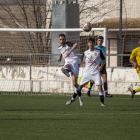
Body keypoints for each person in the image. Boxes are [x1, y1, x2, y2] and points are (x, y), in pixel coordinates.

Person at [66, 37, 106, 106]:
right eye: (90, 42)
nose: (91, 43)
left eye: (92, 42)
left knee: (100, 86)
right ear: (88, 43)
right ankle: (72, 98)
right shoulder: (85, 52)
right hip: (87, 73)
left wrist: (101, 66)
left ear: (94, 43)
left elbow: (104, 60)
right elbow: (81, 61)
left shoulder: (98, 51)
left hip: (95, 72)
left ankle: (102, 102)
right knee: (80, 86)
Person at [58, 33, 84, 106]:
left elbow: (76, 44)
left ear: (65, 39)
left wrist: (70, 51)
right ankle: (66, 70)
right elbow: (61, 51)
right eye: (60, 39)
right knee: (66, 66)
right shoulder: (59, 47)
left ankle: (80, 97)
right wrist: (60, 57)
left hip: (75, 62)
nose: (62, 41)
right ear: (59, 40)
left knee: (75, 84)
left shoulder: (68, 44)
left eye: (63, 39)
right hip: (68, 61)